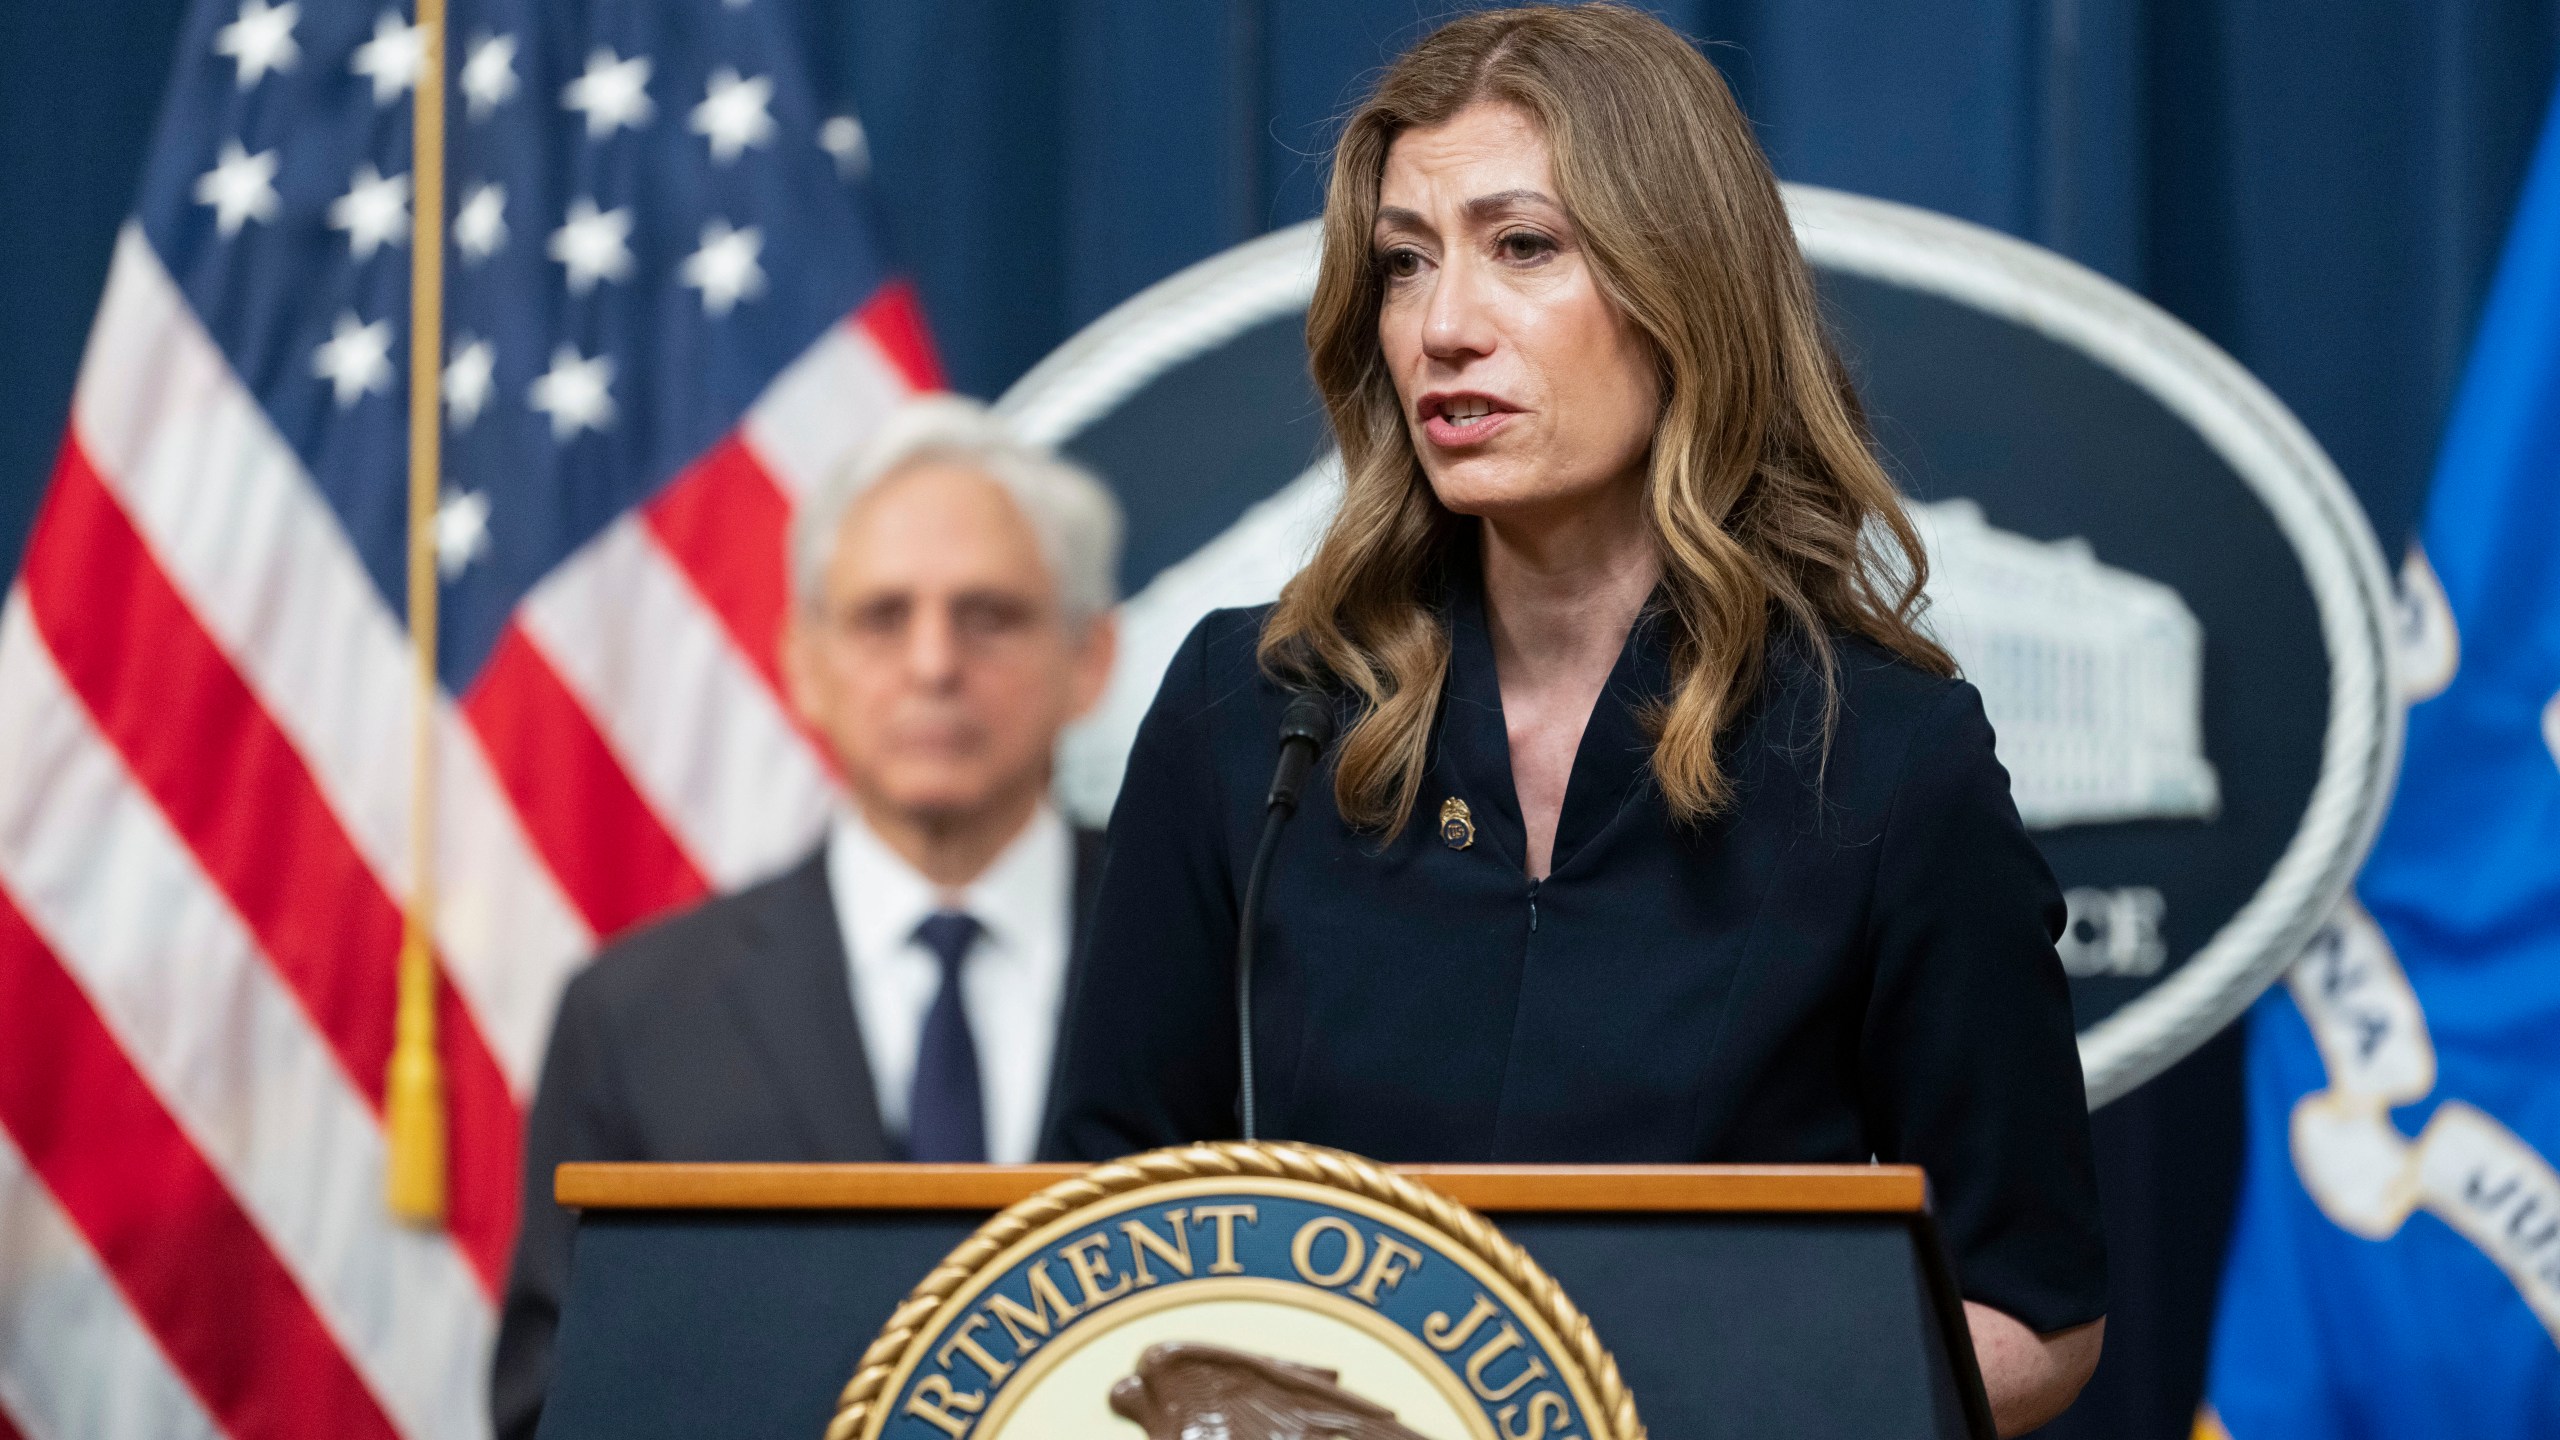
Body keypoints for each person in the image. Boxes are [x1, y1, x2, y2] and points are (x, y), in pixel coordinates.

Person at [1043, 6, 2105, 1433]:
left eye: (1522, 247)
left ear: (1685, 289)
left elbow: (2030, 1310)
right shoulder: (1255, 713)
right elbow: (1083, 1239)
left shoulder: (1887, 758)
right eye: (1406, 262)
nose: (1444, 324)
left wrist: (1652, 1417)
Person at [492, 395, 1122, 1440]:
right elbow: (552, 1410)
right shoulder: (637, 1014)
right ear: (802, 664)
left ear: (1089, 660)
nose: (933, 664)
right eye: (882, 617)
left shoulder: (1220, 968)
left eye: (990, 616)